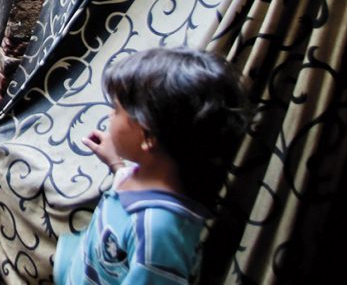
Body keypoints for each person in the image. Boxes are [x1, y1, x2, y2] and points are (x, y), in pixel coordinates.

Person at [53, 47, 249, 284]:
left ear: (149, 136)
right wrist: (116, 163)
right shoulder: (142, 175)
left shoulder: (158, 231)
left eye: (116, 110)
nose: (109, 115)